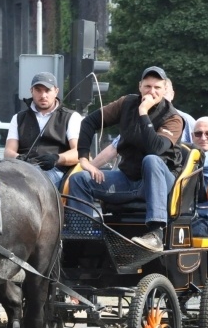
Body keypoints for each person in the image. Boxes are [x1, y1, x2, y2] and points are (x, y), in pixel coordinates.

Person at [67, 66, 185, 251]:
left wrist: (143, 112)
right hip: (127, 179)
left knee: (151, 160)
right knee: (79, 179)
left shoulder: (173, 118)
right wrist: (84, 160)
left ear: (164, 90)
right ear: (140, 87)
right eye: (147, 86)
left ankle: (155, 234)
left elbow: (155, 148)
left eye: (157, 87)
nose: (151, 91)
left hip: (159, 182)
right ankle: (80, 239)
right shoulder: (126, 103)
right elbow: (89, 122)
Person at [4, 72, 82, 187]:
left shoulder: (71, 117)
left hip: (54, 171)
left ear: (56, 91)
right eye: (38, 90)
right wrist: (19, 158)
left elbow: (79, 152)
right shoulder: (18, 118)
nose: (43, 95)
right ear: (31, 91)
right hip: (21, 169)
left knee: (34, 183)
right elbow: (8, 152)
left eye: (47, 90)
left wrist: (56, 159)